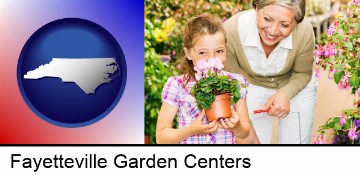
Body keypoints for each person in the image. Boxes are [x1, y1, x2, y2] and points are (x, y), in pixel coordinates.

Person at [224, 0, 317, 144]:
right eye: (267, 19)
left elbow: (302, 73)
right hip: (249, 85)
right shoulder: (231, 31)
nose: (273, 31)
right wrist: (244, 122)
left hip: (296, 83)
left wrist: (285, 93)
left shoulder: (304, 31)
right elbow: (232, 81)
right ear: (257, 9)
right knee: (252, 140)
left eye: (284, 25)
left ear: (295, 23)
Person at [156, 15, 256, 144]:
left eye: (219, 51)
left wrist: (236, 126)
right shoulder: (177, 85)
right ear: (188, 53)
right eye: (203, 52)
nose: (212, 59)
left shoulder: (235, 82)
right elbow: (161, 137)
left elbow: (245, 130)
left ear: (226, 48)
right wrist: (192, 130)